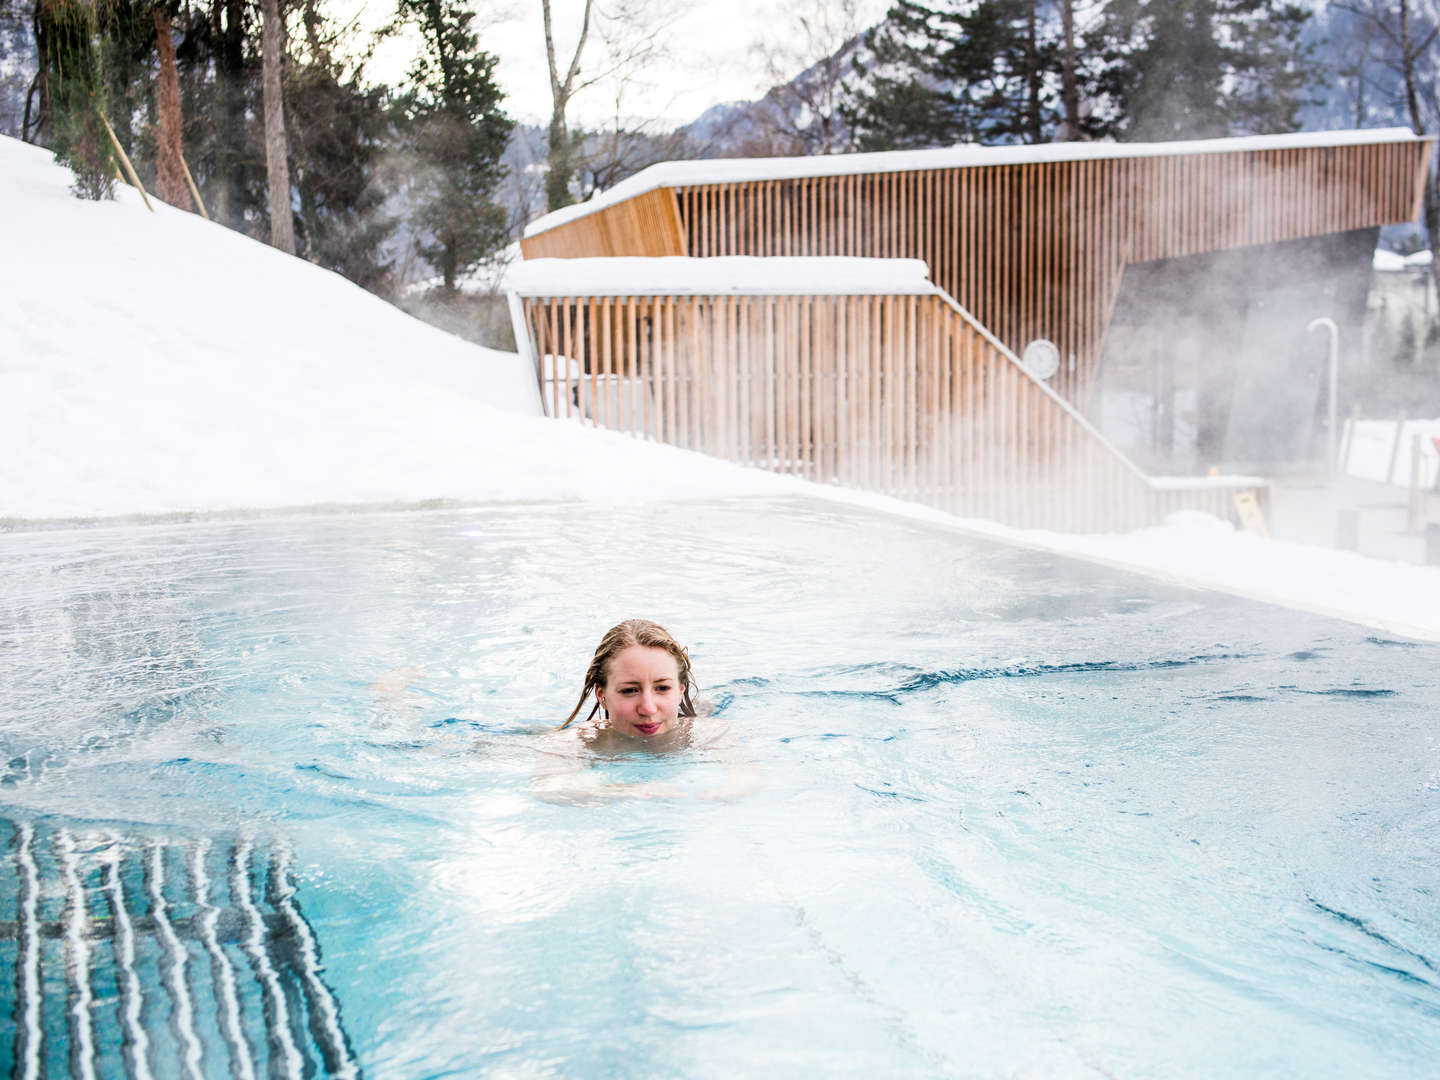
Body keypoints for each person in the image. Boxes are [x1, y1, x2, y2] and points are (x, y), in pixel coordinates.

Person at [532, 619, 761, 804]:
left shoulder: (711, 733)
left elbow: (747, 776)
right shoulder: (578, 742)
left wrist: (726, 792)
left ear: (681, 690)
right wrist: (628, 791)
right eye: (630, 690)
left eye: (662, 688)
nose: (648, 708)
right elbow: (549, 788)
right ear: (602, 695)